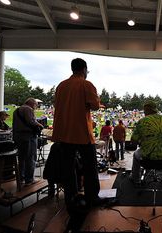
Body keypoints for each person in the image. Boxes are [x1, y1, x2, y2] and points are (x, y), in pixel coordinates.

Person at [52, 58, 103, 210]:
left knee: (68, 168)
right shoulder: (86, 84)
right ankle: (92, 197)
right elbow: (94, 106)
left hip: (63, 133)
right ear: (84, 69)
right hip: (81, 133)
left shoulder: (61, 85)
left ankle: (71, 197)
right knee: (90, 167)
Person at [130, 101, 162, 184]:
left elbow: (133, 141)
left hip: (148, 156)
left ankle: (136, 178)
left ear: (146, 110)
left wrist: (142, 141)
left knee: (135, 154)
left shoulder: (142, 121)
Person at [13, 98, 43, 186]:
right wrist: (40, 125)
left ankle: (21, 178)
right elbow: (31, 122)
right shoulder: (28, 109)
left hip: (19, 137)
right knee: (30, 158)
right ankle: (29, 180)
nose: (36, 107)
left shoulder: (17, 110)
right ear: (32, 103)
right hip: (28, 137)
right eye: (36, 105)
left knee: (22, 158)